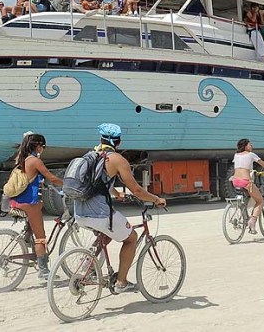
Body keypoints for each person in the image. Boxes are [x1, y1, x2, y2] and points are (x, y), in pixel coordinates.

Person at [74, 123, 166, 294]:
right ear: (118, 142)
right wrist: (156, 199)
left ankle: (89, 263)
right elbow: (137, 190)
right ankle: (121, 283)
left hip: (79, 212)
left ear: (101, 139)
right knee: (131, 238)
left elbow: (97, 183)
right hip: (99, 214)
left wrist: (116, 194)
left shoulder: (90, 156)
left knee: (108, 232)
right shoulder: (117, 160)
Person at [9, 132, 63, 279]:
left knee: (35, 220)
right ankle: (43, 270)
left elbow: (30, 178)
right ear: (38, 146)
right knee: (41, 237)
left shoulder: (21, 159)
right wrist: (68, 185)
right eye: (43, 146)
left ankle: (27, 237)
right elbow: (51, 177)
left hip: (16, 201)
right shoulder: (35, 161)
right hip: (29, 203)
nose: (43, 149)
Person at [231, 138, 264, 234]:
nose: (251, 146)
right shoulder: (251, 155)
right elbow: (263, 163)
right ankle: (252, 221)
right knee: (260, 201)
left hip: (235, 181)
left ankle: (244, 216)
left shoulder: (236, 155)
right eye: (250, 144)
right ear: (245, 146)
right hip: (246, 182)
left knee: (246, 198)